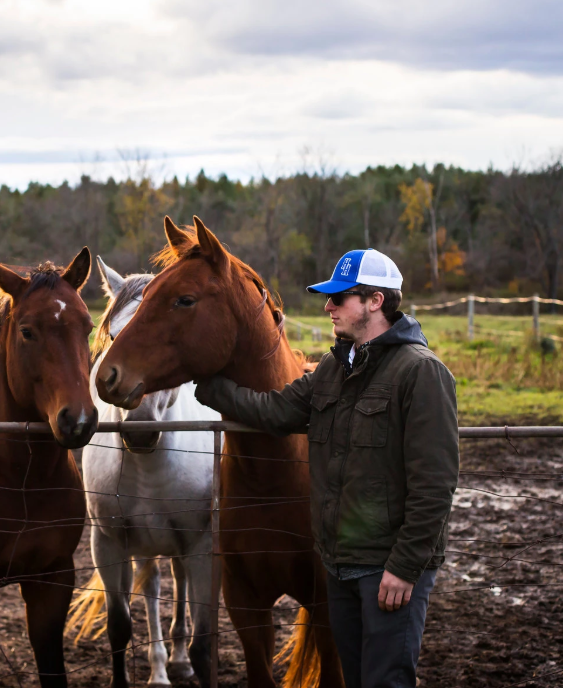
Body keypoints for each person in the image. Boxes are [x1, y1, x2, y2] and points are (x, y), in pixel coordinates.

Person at [194, 249, 459, 688]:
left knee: (386, 680)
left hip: (388, 571)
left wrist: (405, 567)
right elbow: (276, 411)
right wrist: (210, 384)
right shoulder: (335, 366)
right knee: (353, 678)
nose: (327, 307)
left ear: (375, 301)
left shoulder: (421, 373)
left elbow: (436, 484)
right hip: (339, 566)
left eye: (340, 298)